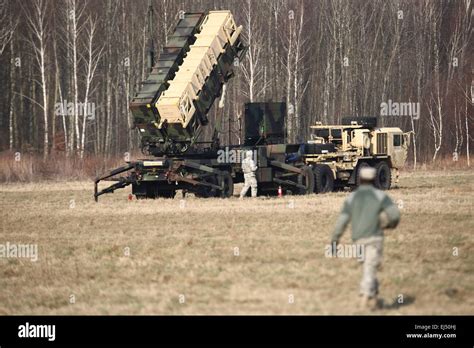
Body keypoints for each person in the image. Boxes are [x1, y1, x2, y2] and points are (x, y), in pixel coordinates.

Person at [331, 166, 400, 310]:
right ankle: (365, 299)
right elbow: (394, 216)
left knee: (369, 268)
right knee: (370, 269)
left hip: (358, 240)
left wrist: (335, 240)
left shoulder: (352, 197)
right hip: (375, 238)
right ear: (374, 179)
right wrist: (388, 225)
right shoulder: (380, 196)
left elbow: (342, 221)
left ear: (360, 179)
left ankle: (372, 300)